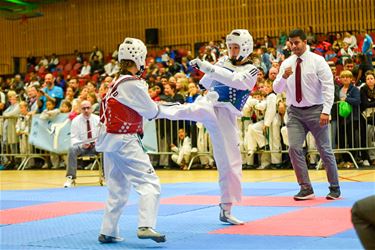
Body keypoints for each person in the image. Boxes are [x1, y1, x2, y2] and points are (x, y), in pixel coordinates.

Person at [157, 29, 258, 224]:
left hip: (227, 116)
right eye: (230, 47)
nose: (232, 51)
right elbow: (205, 83)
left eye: (236, 47)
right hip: (210, 104)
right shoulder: (222, 62)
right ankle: (155, 110)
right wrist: (208, 68)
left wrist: (210, 68)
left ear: (246, 47)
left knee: (230, 163)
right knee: (187, 110)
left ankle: (226, 209)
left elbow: (237, 82)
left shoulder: (252, 69)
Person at [95, 37, 166, 243]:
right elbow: (151, 111)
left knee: (117, 187)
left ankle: (108, 231)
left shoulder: (116, 82)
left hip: (109, 141)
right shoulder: (133, 84)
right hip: (125, 140)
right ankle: (146, 225)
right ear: (140, 58)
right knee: (150, 183)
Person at [273, 29, 341, 200]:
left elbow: (328, 86)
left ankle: (334, 187)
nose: (294, 46)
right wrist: (283, 77)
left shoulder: (318, 61)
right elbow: (277, 89)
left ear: (304, 42)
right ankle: (306, 188)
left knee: (324, 150)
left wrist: (326, 110)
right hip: (295, 112)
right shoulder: (286, 64)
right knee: (294, 148)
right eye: (291, 43)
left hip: (317, 110)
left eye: (297, 42)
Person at [64, 100, 100, 186]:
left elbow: (102, 135)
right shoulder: (76, 121)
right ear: (80, 109)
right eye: (84, 108)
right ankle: (70, 177)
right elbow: (73, 137)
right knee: (72, 149)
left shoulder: (97, 119)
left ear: (91, 109)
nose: (86, 110)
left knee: (107, 149)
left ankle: (107, 176)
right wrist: (82, 144)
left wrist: (97, 142)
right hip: (82, 147)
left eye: (88, 108)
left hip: (96, 146)